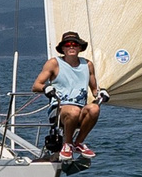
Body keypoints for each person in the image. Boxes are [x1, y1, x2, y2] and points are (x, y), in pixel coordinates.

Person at [32, 31, 101, 163]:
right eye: (68, 44)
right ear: (62, 48)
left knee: (94, 109)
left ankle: (78, 143)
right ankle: (67, 144)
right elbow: (36, 86)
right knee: (73, 110)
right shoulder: (54, 63)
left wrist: (100, 93)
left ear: (80, 47)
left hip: (80, 110)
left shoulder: (87, 65)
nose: (71, 47)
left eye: (75, 44)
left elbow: (94, 89)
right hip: (59, 110)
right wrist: (46, 88)